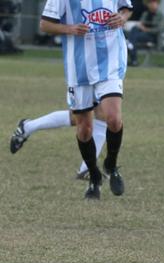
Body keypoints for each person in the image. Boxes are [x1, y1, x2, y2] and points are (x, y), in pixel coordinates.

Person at [40, 0, 131, 199]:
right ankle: (94, 177)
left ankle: (111, 164)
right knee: (84, 129)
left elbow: (126, 8)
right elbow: (45, 24)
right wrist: (70, 28)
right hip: (78, 66)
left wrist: (121, 18)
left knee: (113, 119)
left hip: (111, 62)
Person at [9, 110, 108, 179]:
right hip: (81, 79)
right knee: (79, 116)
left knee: (102, 115)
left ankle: (86, 169)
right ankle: (27, 127)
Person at [127, 0, 164, 66]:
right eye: (150, 3)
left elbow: (160, 29)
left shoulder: (160, 15)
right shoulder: (145, 13)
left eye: (154, 3)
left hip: (152, 36)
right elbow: (141, 23)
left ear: (157, 4)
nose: (152, 5)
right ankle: (132, 54)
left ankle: (132, 53)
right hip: (142, 34)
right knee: (134, 29)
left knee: (133, 38)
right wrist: (141, 26)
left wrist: (147, 30)